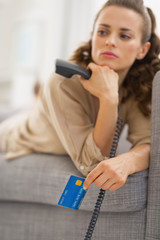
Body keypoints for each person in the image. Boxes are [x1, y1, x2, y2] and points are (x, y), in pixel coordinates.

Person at [0, 0, 160, 192]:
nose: (110, 41)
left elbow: (148, 142)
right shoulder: (63, 81)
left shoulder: (137, 86)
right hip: (14, 136)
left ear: (142, 50)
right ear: (93, 37)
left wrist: (129, 161)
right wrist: (109, 98)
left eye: (124, 35)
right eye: (103, 32)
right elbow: (91, 163)